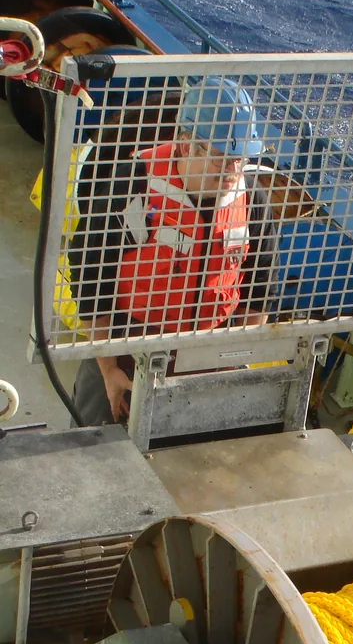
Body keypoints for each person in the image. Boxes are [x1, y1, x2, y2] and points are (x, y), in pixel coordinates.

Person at [67, 76, 278, 426]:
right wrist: (108, 368)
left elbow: (262, 284)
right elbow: (90, 270)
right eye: (222, 158)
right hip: (126, 349)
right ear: (185, 145)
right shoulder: (132, 183)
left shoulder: (251, 198)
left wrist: (233, 360)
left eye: (240, 159)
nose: (232, 171)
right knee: (91, 450)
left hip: (206, 357)